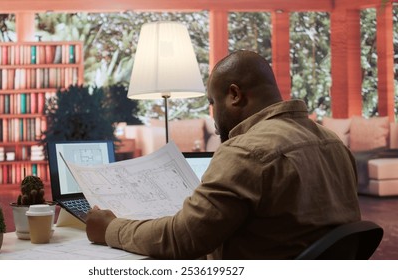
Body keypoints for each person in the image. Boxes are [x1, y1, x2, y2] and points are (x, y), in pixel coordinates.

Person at [85, 50, 361, 259]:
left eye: (212, 103)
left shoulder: (246, 150)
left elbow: (183, 238)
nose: (213, 115)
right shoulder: (332, 142)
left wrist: (111, 228)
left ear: (234, 95)